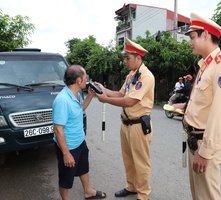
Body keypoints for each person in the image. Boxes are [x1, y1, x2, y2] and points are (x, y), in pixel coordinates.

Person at [173, 12, 221, 200]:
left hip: (205, 143)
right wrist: (185, 107)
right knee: (198, 195)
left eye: (192, 37)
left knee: (208, 196)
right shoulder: (206, 65)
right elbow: (204, 102)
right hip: (196, 140)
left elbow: (220, 113)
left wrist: (206, 151)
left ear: (206, 35)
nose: (190, 42)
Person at [95, 38, 155, 200]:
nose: (125, 61)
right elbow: (121, 94)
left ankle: (143, 195)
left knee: (141, 162)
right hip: (126, 124)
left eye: (128, 58)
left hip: (138, 125)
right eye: (125, 58)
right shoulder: (131, 76)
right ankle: (131, 186)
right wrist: (104, 90)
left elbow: (130, 101)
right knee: (128, 159)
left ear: (138, 58)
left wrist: (105, 99)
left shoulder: (146, 76)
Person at [52, 65, 106, 200]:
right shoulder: (62, 100)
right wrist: (66, 154)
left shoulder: (76, 94)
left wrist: (90, 96)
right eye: (85, 77)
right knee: (66, 178)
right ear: (78, 80)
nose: (87, 79)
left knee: (83, 168)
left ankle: (88, 191)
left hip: (79, 142)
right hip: (68, 146)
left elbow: (80, 110)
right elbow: (58, 129)